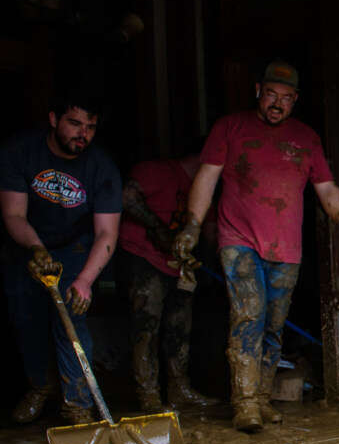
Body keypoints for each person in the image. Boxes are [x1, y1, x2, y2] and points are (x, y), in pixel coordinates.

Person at [173, 61, 339, 433]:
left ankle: (260, 398)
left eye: (286, 98)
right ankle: (244, 404)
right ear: (258, 90)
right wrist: (192, 227)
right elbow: (206, 179)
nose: (278, 103)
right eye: (272, 94)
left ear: (295, 101)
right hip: (238, 240)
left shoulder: (306, 138)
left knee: (273, 325)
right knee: (249, 315)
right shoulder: (230, 127)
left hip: (286, 248)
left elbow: (326, 187)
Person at [0, 91, 121, 424]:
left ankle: (77, 406)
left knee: (72, 320)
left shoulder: (102, 167)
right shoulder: (20, 152)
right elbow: (13, 215)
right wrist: (36, 249)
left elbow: (107, 233)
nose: (83, 134)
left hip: (76, 248)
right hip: (25, 244)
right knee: (27, 320)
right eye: (74, 123)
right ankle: (40, 386)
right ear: (53, 119)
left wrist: (85, 281)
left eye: (91, 127)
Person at [116, 140, 217, 411]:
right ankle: (148, 395)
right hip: (144, 258)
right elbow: (125, 197)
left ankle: (179, 389)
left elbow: (209, 230)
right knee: (146, 327)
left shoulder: (209, 191)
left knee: (179, 328)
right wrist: (158, 229)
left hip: (179, 265)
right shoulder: (156, 171)